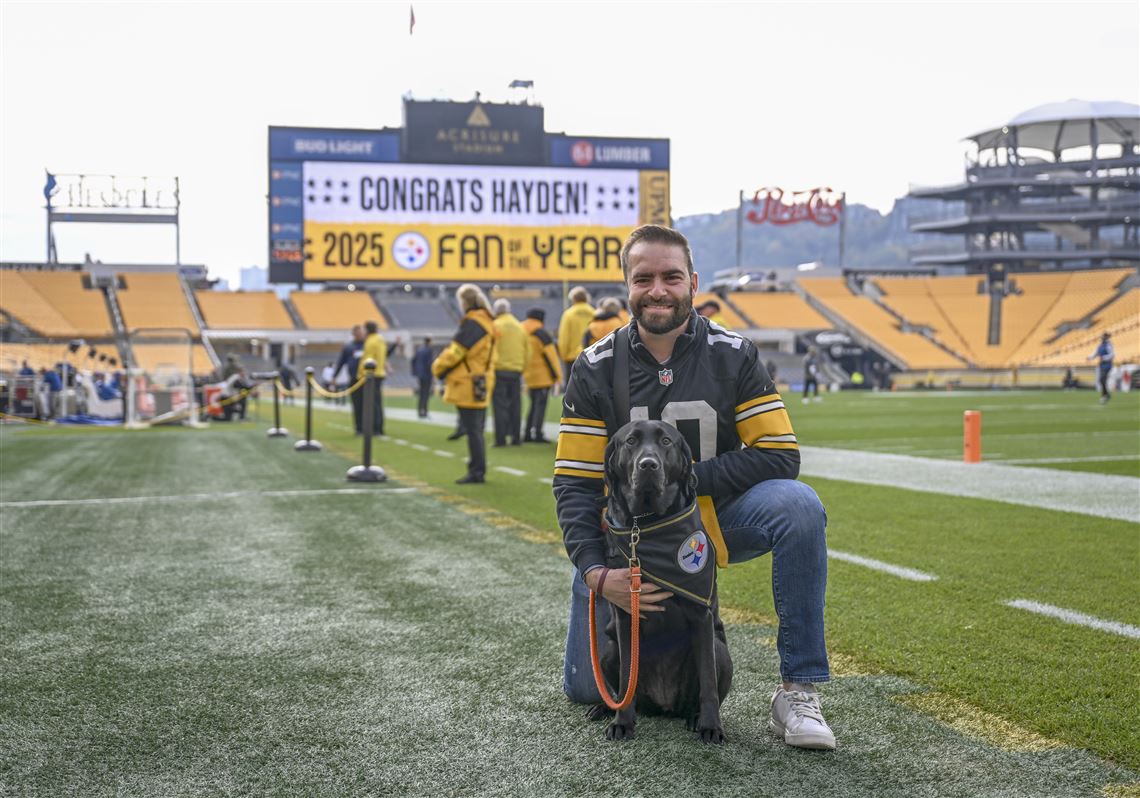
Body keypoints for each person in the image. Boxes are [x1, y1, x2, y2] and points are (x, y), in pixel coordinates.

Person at [555, 224, 835, 750]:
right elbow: (574, 483)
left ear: (693, 283)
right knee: (586, 688)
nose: (657, 289)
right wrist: (596, 573)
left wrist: (686, 481)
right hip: (629, 540)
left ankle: (798, 688)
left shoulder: (733, 353)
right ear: (627, 285)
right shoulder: (594, 368)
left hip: (713, 520)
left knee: (800, 507)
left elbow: (781, 455)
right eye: (644, 278)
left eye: (671, 277)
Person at [432, 284, 498, 484]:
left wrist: (437, 367)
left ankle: (476, 472)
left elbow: (456, 352)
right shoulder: (488, 322)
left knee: (473, 431)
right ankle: (478, 470)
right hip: (481, 379)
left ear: (464, 302)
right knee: (475, 429)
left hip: (468, 381)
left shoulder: (473, 324)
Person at [521, 308, 562, 443]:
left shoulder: (521, 331)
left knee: (532, 406)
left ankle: (527, 433)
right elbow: (552, 357)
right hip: (542, 377)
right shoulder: (542, 334)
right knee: (540, 406)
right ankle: (537, 433)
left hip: (528, 375)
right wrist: (557, 377)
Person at [491, 299, 526, 447]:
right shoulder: (520, 327)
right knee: (515, 406)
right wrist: (522, 366)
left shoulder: (495, 326)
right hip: (516, 371)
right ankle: (516, 438)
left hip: (499, 370)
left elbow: (491, 348)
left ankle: (501, 440)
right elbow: (527, 350)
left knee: (500, 407)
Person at [557, 286, 595, 387]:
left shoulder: (568, 314)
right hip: (592, 356)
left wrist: (563, 355)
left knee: (572, 390)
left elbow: (564, 337)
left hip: (572, 357)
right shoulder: (594, 313)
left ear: (573, 298)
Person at [334, 325, 366, 433]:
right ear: (354, 334)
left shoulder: (368, 345)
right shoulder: (348, 347)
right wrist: (335, 376)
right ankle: (359, 428)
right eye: (359, 333)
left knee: (368, 405)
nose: (361, 335)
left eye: (362, 333)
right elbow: (341, 362)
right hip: (354, 379)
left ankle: (369, 427)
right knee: (357, 404)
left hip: (367, 379)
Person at [358, 320, 387, 434]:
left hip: (371, 375)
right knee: (377, 403)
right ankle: (378, 427)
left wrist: (361, 373)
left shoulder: (371, 341)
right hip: (378, 373)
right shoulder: (380, 339)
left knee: (373, 403)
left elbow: (367, 360)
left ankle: (375, 428)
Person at [1088, 332, 1114, 404]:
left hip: (1107, 365)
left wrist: (1104, 358)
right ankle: (1106, 395)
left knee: (1102, 379)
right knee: (1102, 380)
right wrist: (1090, 357)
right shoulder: (1100, 345)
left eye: (1102, 337)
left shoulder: (1108, 345)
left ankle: (1105, 395)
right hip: (1102, 365)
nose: (1101, 338)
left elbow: (1112, 355)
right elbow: (1096, 353)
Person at [411, 338, 435, 418]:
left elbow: (413, 360)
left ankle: (420, 411)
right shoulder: (429, 351)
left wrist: (415, 372)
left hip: (420, 375)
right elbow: (429, 364)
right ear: (429, 342)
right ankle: (424, 411)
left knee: (421, 393)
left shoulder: (419, 350)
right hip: (427, 375)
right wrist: (433, 375)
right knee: (426, 394)